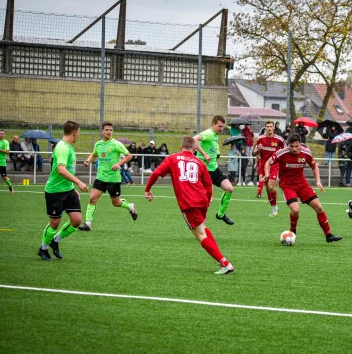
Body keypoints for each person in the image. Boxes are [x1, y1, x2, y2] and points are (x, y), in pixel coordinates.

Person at [144, 136, 234, 274]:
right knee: (203, 228)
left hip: (189, 202)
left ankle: (225, 263)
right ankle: (221, 260)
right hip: (202, 199)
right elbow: (209, 185)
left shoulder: (172, 158)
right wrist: (208, 200)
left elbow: (156, 173)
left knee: (199, 234)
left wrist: (147, 189)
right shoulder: (199, 162)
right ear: (194, 149)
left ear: (180, 148)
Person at [265, 133, 342, 243]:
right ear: (288, 146)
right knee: (295, 210)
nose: (294, 149)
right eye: (292, 146)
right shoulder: (281, 153)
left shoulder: (306, 153)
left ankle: (328, 235)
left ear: (300, 144)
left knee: (319, 208)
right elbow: (268, 163)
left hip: (302, 185)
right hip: (287, 186)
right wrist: (267, 174)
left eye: (297, 146)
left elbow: (314, 166)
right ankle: (293, 232)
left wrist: (318, 181)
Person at [37, 121, 89, 260]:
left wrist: (72, 188)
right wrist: (78, 183)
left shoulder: (69, 147)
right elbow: (61, 170)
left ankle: (56, 241)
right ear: (74, 133)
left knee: (77, 220)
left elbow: (68, 170)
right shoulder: (62, 147)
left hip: (68, 190)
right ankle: (43, 248)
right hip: (55, 191)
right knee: (54, 223)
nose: (78, 135)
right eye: (78, 132)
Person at [78, 122, 138, 231]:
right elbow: (94, 154)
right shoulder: (98, 144)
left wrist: (118, 164)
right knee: (92, 199)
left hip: (113, 179)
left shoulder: (116, 144)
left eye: (110, 130)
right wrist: (88, 160)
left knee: (116, 203)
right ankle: (87, 224)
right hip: (101, 177)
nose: (109, 132)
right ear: (102, 131)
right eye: (106, 130)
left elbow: (129, 156)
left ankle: (130, 206)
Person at [194, 115, 235, 225]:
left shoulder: (215, 136)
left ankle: (220, 214)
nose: (222, 129)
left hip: (214, 170)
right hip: (203, 172)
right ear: (213, 125)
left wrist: (215, 154)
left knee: (229, 188)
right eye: (219, 126)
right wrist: (204, 154)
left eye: (223, 127)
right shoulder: (208, 133)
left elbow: (213, 152)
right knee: (206, 201)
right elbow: (194, 139)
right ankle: (202, 227)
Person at [254, 120, 286, 216]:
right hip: (263, 165)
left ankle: (275, 205)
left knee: (271, 186)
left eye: (270, 126)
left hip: (274, 164)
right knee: (267, 188)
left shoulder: (279, 140)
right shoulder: (260, 139)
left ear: (273, 128)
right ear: (265, 128)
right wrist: (258, 149)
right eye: (267, 126)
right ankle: (274, 207)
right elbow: (254, 153)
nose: (269, 128)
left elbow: (285, 151)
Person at [0, 130, 14, 195]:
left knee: (4, 178)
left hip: (1, 163)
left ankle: (10, 186)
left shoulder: (6, 142)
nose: (1, 135)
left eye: (3, 134)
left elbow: (7, 152)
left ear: (4, 135)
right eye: (0, 133)